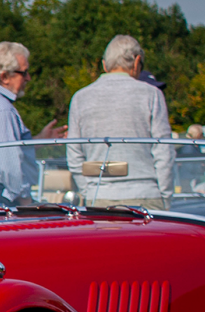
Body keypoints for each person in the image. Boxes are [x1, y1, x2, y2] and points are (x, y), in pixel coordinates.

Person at [67, 35, 172, 209]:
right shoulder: (152, 94)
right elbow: (164, 152)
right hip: (145, 194)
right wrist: (164, 197)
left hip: (98, 196)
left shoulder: (80, 98)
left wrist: (89, 191)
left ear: (104, 65)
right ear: (137, 62)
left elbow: (74, 154)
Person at [0, 42, 66, 207]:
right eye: (24, 73)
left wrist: (39, 139)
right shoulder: (1, 108)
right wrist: (24, 198)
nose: (28, 78)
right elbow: (8, 162)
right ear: (4, 77)